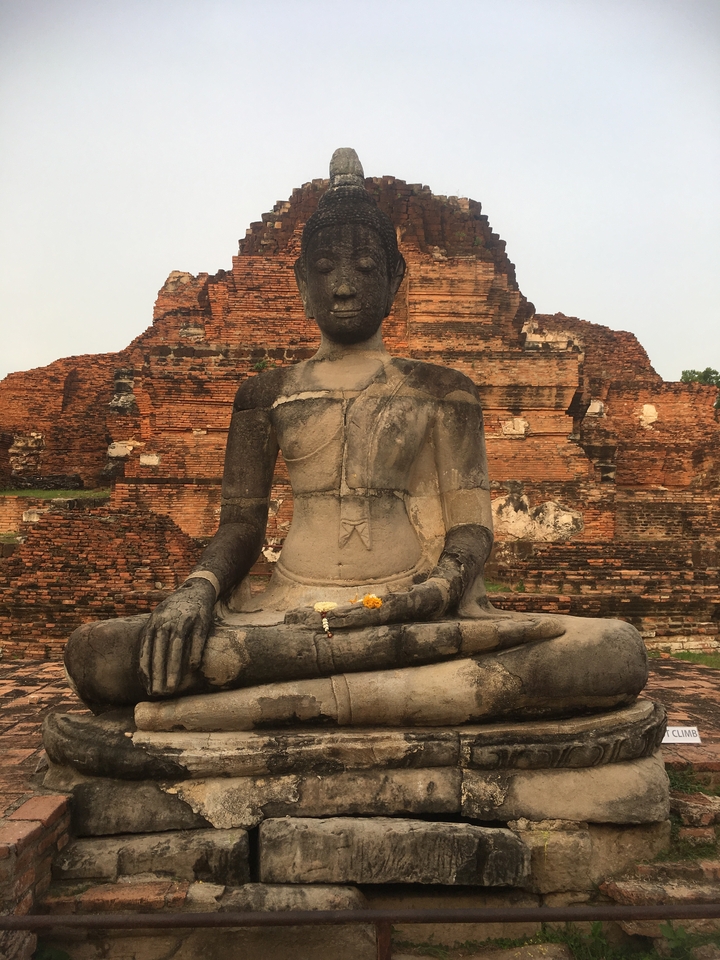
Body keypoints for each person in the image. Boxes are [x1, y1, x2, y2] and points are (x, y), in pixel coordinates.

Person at [64, 149, 647, 731]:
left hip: (412, 612)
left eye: (366, 268)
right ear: (301, 282)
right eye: (324, 269)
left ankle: (260, 707)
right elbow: (241, 526)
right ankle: (396, 698)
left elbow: (471, 527)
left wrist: (439, 589)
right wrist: (197, 590)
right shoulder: (264, 394)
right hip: (287, 614)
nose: (343, 286)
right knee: (99, 656)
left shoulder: (444, 390)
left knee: (612, 652)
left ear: (395, 280)